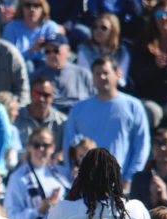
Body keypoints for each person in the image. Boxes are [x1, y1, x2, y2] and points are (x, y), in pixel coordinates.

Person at [62, 56, 151, 188]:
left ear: (117, 74)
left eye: (106, 73)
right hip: (87, 185)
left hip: (120, 184)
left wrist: (130, 177)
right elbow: (68, 146)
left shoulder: (134, 106)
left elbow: (142, 145)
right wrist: (76, 176)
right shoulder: (78, 109)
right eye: (97, 74)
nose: (102, 77)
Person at [2, 0, 61, 70]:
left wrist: (44, 48)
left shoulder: (51, 27)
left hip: (46, 73)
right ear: (21, 8)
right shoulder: (11, 28)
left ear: (43, 8)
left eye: (36, 5)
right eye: (28, 5)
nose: (32, 9)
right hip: (19, 72)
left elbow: (56, 56)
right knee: (28, 65)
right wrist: (31, 51)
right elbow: (8, 59)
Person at [15, 78, 68, 160]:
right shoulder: (15, 117)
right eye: (36, 94)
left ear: (52, 98)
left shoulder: (62, 122)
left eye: (46, 95)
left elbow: (69, 148)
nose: (41, 99)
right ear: (30, 95)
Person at [76, 13, 131, 88]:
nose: (98, 31)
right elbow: (84, 78)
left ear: (113, 30)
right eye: (95, 27)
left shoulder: (122, 52)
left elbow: (122, 81)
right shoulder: (84, 49)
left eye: (103, 28)